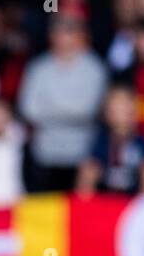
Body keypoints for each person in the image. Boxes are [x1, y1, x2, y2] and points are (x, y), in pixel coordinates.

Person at [17, 16, 106, 192]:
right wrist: (69, 109)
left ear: (79, 36)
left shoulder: (94, 68)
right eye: (58, 32)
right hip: (44, 155)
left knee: (78, 214)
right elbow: (28, 109)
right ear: (51, 36)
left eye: (69, 32)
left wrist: (49, 108)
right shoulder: (38, 67)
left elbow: (87, 110)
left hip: (81, 155)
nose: (63, 38)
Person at [77, 86, 144, 196]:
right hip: (105, 202)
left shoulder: (143, 145)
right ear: (107, 113)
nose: (122, 112)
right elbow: (87, 178)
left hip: (135, 205)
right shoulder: (99, 143)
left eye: (127, 106)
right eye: (116, 106)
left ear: (134, 112)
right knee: (88, 169)